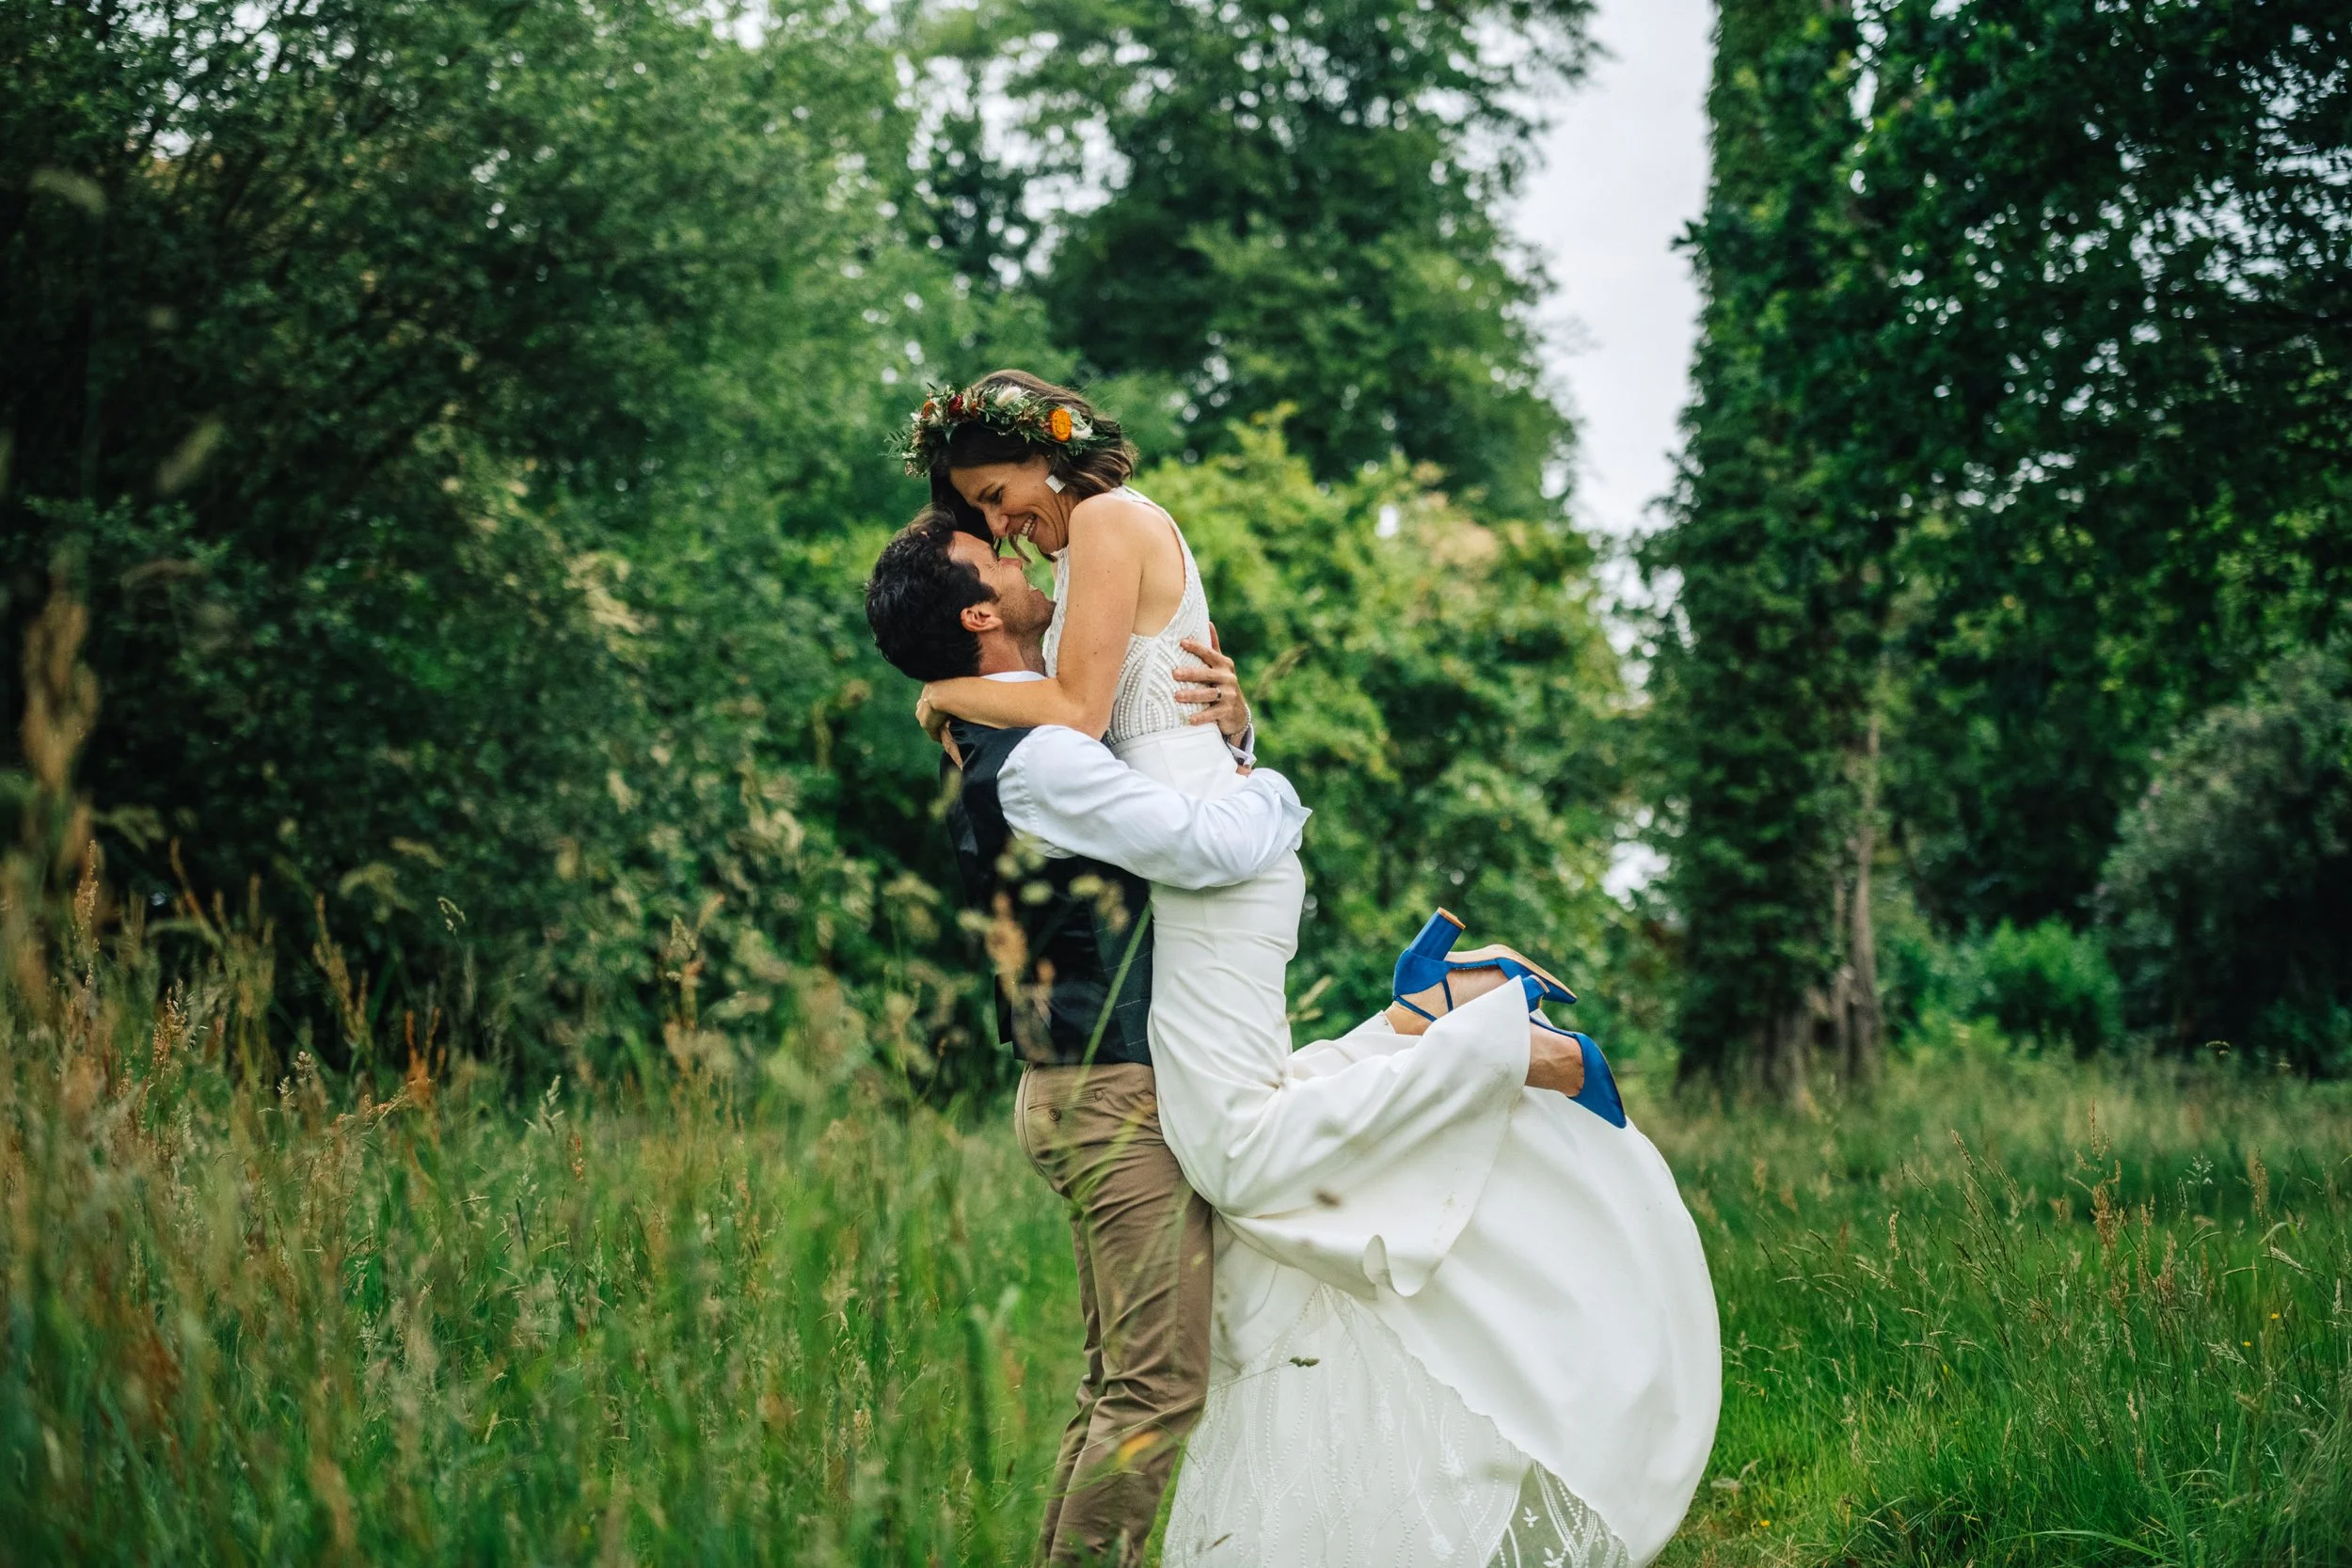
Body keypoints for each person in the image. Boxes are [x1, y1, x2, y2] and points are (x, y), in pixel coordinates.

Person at [887, 372, 1721, 1568]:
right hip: (1202, 859)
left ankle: (1490, 1043)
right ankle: (1431, 1012)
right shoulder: (1085, 567)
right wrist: (1234, 728)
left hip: (1216, 864)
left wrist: (943, 691)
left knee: (1236, 1146)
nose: (1007, 521)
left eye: (1000, 492)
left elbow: (1074, 711)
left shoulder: (1111, 525)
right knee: (1248, 1135)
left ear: (1043, 454)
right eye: (983, 511)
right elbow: (1130, 715)